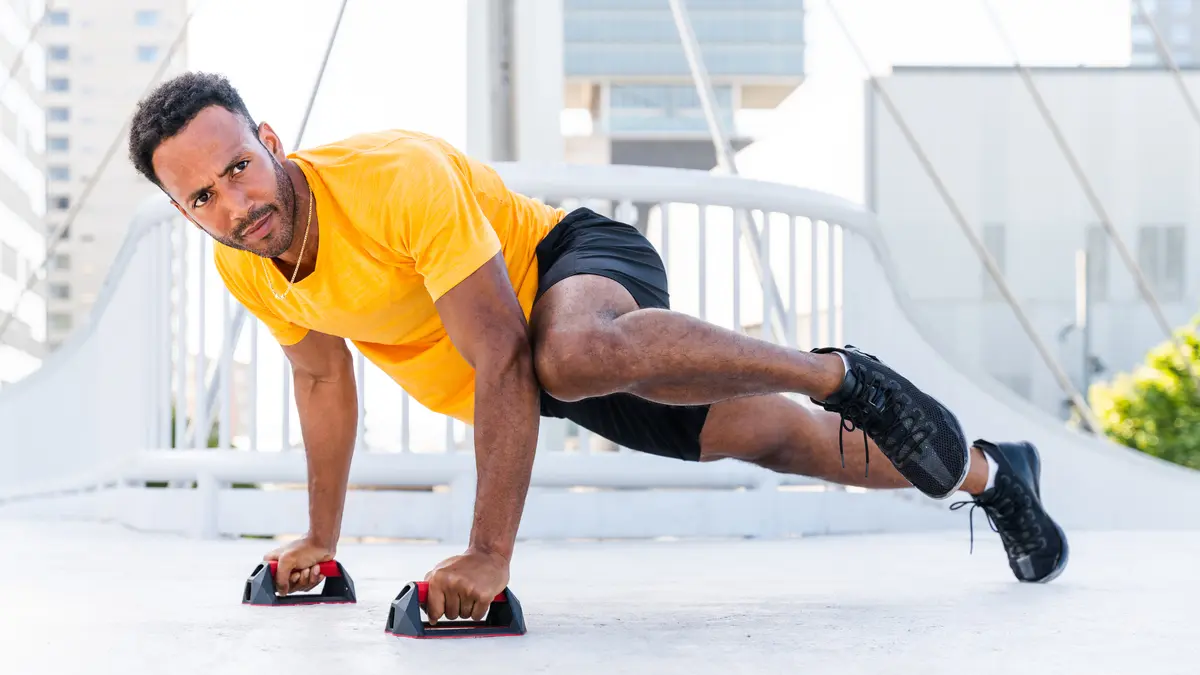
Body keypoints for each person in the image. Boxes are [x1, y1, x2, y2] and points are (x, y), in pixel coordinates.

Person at [128, 72, 1068, 624]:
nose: (235, 203)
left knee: (563, 356)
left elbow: (503, 358)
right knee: (779, 441)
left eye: (238, 166)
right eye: (200, 197)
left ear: (271, 139)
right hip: (547, 377)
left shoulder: (391, 179)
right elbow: (321, 382)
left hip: (570, 272)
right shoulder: (247, 265)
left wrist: (487, 554)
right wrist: (323, 541)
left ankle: (841, 373)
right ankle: (995, 475)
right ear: (181, 210)